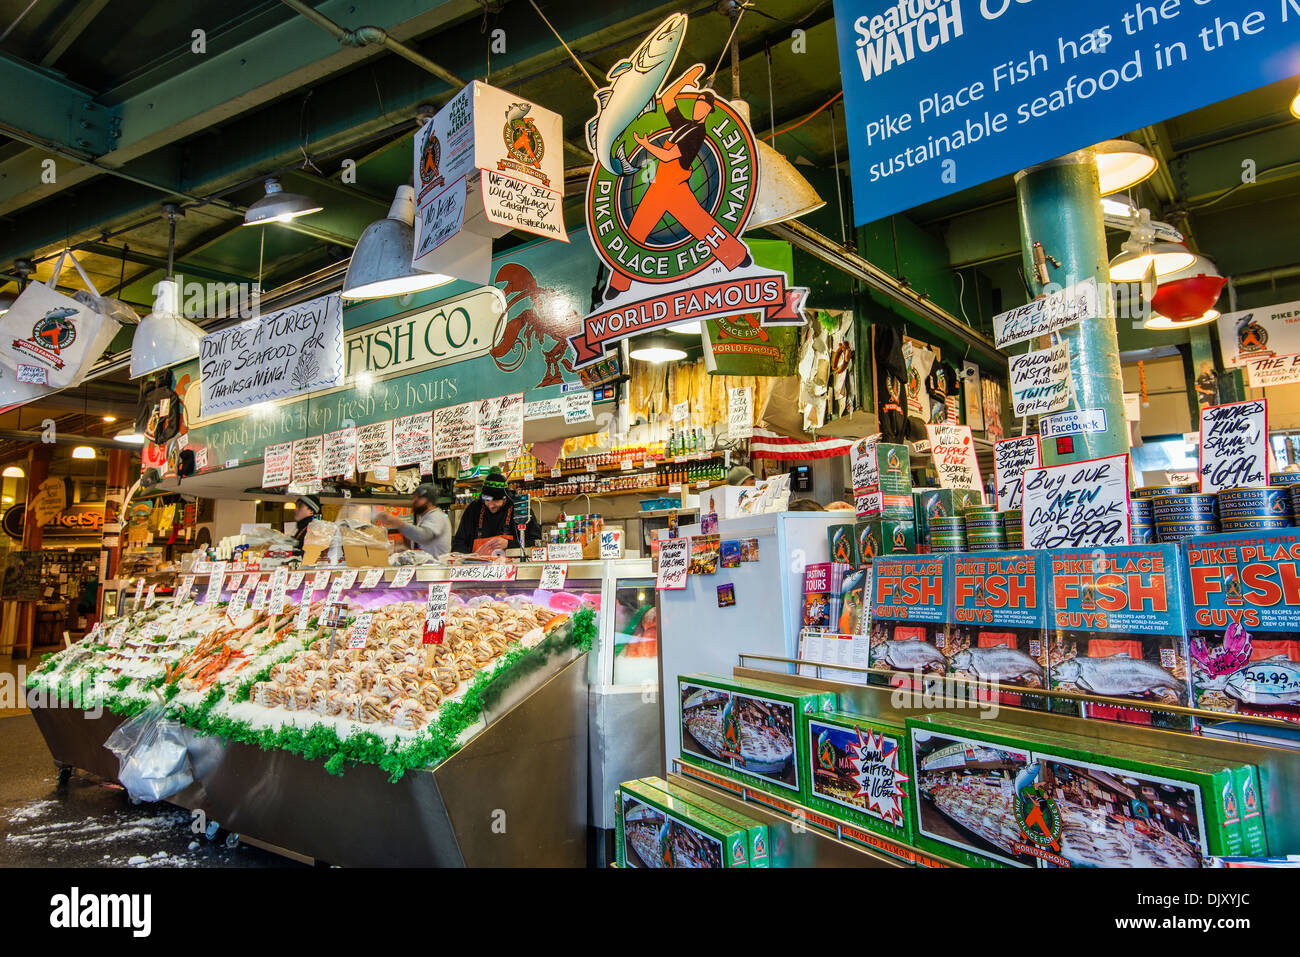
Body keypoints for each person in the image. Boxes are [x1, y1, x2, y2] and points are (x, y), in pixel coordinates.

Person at [450, 469, 542, 554]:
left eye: (495, 501)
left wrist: (509, 544)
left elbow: (536, 542)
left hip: (510, 568)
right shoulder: (474, 509)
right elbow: (458, 544)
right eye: (487, 500)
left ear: (505, 498)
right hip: (477, 569)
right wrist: (469, 558)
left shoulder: (519, 507)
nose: (490, 505)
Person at [375, 483, 451, 559]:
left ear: (429, 501)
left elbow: (424, 536)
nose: (415, 500)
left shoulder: (437, 516)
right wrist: (404, 549)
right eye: (414, 497)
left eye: (419, 498)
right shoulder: (426, 517)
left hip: (436, 568)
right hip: (428, 567)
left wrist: (397, 522)